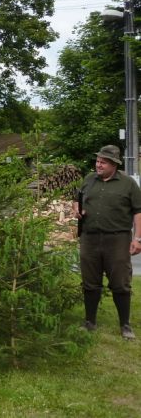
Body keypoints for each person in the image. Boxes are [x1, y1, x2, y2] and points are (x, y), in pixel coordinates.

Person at [73, 145, 141, 340]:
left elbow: (138, 211)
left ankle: (125, 325)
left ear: (114, 164)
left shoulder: (128, 184)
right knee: (90, 282)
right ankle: (90, 322)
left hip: (118, 239)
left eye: (103, 162)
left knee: (120, 282)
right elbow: (76, 200)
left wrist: (137, 238)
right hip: (89, 238)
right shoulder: (88, 180)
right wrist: (76, 209)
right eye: (97, 161)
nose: (98, 164)